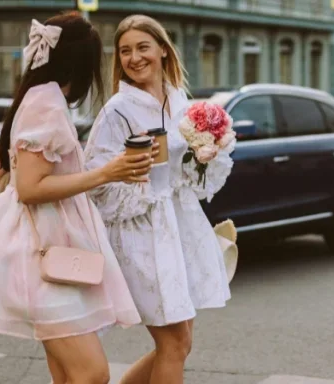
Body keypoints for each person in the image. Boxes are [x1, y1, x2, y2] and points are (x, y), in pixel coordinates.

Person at [0, 12, 149, 384]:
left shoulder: (34, 97)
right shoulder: (45, 103)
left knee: (66, 375)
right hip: (37, 256)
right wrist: (106, 173)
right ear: (82, 64)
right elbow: (30, 189)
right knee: (92, 374)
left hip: (39, 251)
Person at [84, 15, 234, 384]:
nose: (134, 58)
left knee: (180, 344)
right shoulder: (116, 111)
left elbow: (195, 181)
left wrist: (209, 152)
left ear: (163, 51)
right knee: (174, 343)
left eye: (142, 47)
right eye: (125, 51)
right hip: (142, 235)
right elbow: (97, 184)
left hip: (180, 228)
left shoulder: (181, 101)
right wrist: (143, 182)